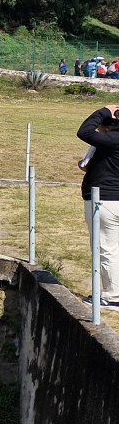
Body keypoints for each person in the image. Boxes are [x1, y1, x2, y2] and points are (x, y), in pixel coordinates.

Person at [79, 104, 119, 308]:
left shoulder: (113, 140)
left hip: (106, 200)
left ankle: (113, 297)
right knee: (114, 248)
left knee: (106, 249)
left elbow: (84, 131)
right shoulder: (109, 143)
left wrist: (104, 110)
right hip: (114, 199)